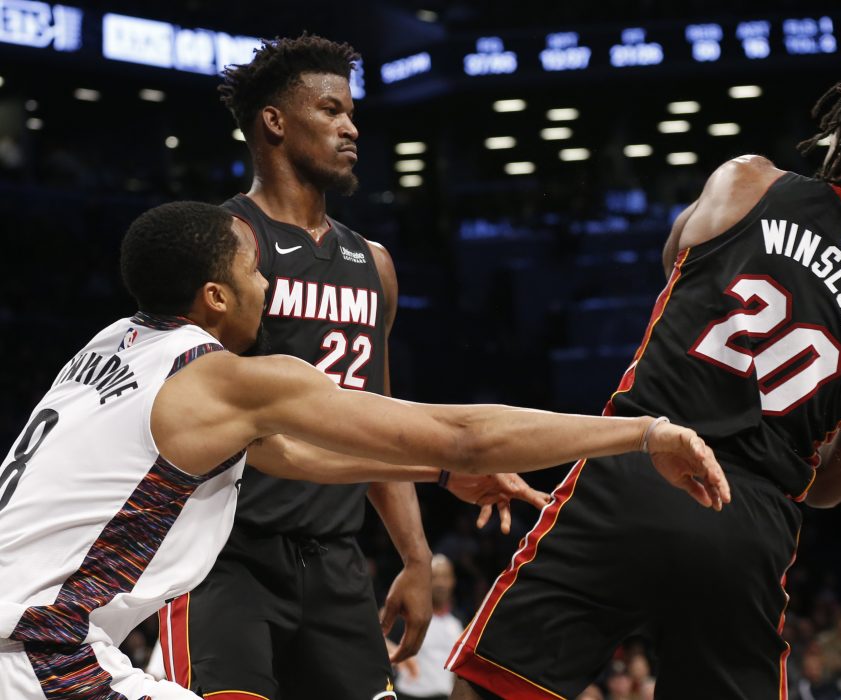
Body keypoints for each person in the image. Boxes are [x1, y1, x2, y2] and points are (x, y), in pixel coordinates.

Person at [0, 201, 728, 700]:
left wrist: (438, 474)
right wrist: (640, 433)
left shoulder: (109, 351)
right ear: (216, 297)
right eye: (254, 273)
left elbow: (288, 455)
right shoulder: (222, 380)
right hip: (44, 657)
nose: (268, 287)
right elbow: (464, 430)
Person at [448, 48, 841, 699]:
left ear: (839, 144)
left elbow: (679, 265)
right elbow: (831, 487)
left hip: (636, 461)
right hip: (747, 519)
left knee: (496, 684)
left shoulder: (747, 181)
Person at [158, 35, 546, 700]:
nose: (350, 127)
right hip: (224, 554)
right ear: (274, 122)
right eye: (331, 111)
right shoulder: (225, 247)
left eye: (352, 113)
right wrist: (447, 464)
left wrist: (417, 557)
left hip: (337, 561)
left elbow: (379, 422)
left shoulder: (375, 263)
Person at [395, 554, 465, 700]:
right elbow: (381, 642)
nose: (440, 583)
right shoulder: (406, 617)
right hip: (408, 695)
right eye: (434, 577)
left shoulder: (459, 622)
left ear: (453, 581)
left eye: (445, 577)